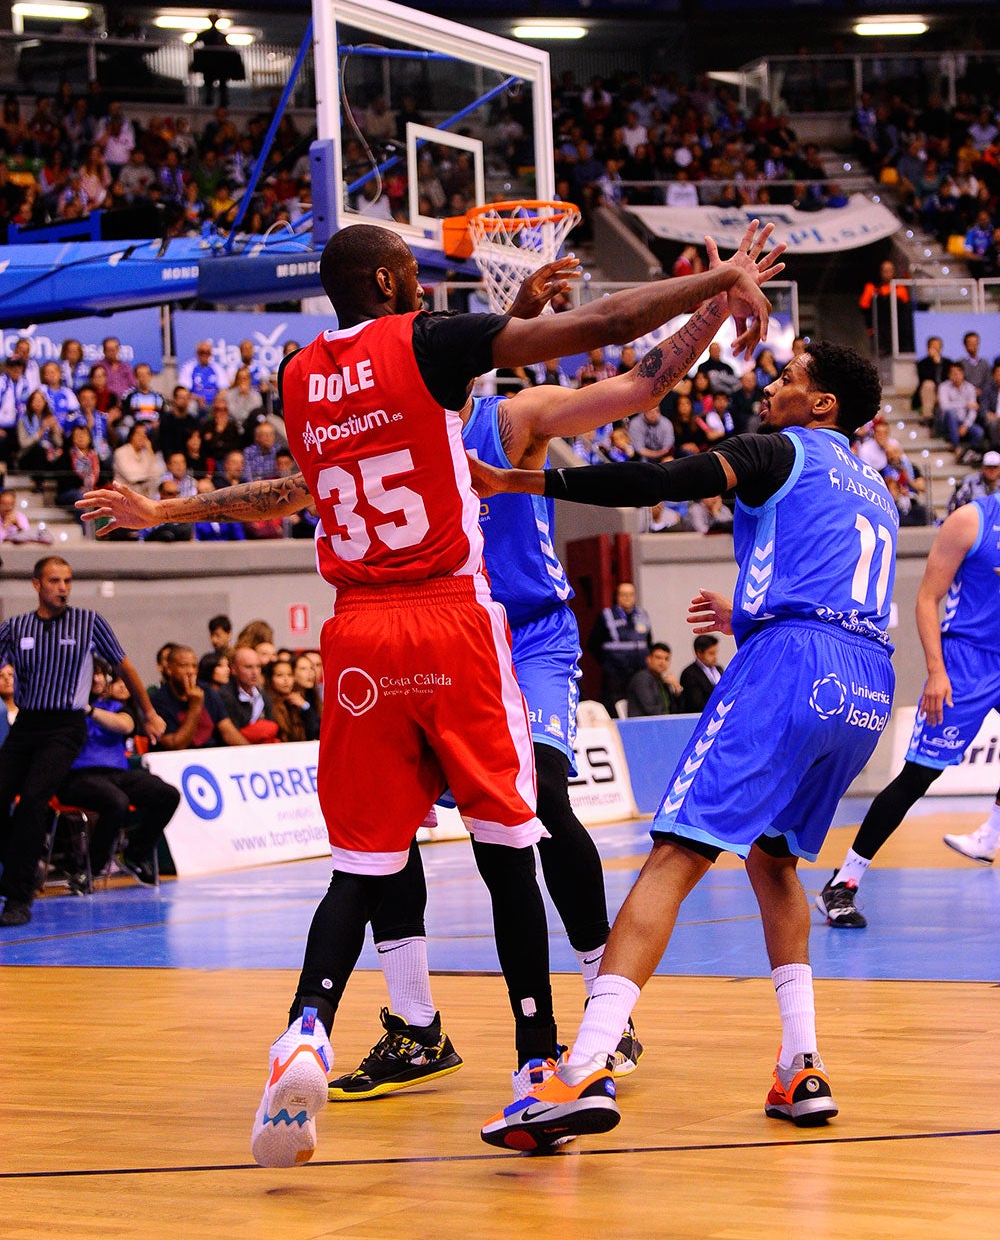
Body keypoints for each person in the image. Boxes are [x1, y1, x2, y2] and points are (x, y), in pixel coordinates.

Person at [76, 219, 775, 1169]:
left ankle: (302, 1033)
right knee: (506, 841)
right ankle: (531, 1060)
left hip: (366, 629)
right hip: (450, 618)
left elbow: (301, 485)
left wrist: (168, 509)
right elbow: (598, 327)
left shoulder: (307, 378)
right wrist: (712, 282)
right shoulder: (435, 351)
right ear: (397, 281)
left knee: (369, 856)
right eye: (414, 275)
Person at [470, 339, 895, 1151]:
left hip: (791, 665)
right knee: (773, 861)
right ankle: (800, 1063)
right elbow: (836, 581)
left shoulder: (783, 450)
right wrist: (755, 613)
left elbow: (661, 481)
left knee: (673, 856)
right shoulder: (873, 482)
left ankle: (582, 1065)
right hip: (866, 683)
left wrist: (526, 479)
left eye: (790, 377)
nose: (772, 385)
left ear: (822, 405)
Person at [817, 495, 1000, 928]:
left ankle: (989, 833)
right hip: (965, 663)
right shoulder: (972, 520)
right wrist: (937, 671)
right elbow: (926, 598)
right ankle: (843, 882)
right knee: (917, 778)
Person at [0, 556, 165, 927]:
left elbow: (125, 667)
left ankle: (18, 896)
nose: (62, 587)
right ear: (36, 585)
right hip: (27, 724)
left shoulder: (89, 623)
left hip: (65, 726)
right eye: (55, 581)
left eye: (68, 581)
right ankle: (21, 864)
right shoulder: (15, 627)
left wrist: (149, 712)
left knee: (32, 803)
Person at [55, 661, 180, 892]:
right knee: (116, 801)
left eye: (100, 674)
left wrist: (90, 711)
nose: (96, 679)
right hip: (76, 778)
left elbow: (125, 725)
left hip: (117, 775)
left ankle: (134, 854)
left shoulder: (116, 707)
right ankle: (88, 872)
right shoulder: (62, 711)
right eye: (91, 675)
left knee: (168, 794)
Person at [149, 644, 249, 750]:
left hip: (211, 755)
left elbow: (228, 732)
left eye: (194, 666)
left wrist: (253, 754)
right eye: (184, 666)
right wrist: (195, 707)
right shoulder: (159, 700)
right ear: (169, 669)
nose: (191, 671)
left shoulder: (207, 691)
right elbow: (176, 745)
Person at [587, 581, 654, 717]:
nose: (627, 598)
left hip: (639, 672)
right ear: (617, 596)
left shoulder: (643, 615)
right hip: (615, 675)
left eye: (630, 594)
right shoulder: (606, 616)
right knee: (614, 709)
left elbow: (648, 642)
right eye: (623, 594)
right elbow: (593, 644)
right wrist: (607, 662)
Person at [218, 646, 279, 744]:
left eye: (258, 667)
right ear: (233, 669)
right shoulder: (225, 696)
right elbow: (231, 734)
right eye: (248, 667)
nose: (255, 672)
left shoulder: (264, 696)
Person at [626, 643, 683, 717]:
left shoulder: (663, 681)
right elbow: (652, 710)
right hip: (644, 725)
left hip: (662, 723)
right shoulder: (642, 679)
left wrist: (677, 688)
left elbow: (677, 711)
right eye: (658, 658)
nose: (662, 662)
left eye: (666, 659)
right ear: (649, 659)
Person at [679, 633, 726, 712]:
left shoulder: (719, 669)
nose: (715, 657)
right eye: (711, 653)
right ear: (699, 653)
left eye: (716, 652)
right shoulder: (690, 673)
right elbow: (696, 703)